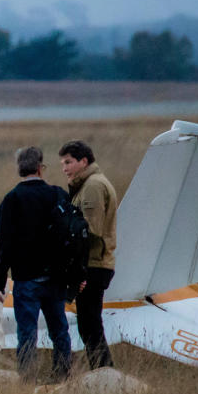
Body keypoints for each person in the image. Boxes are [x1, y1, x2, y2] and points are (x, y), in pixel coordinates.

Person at [0, 146, 72, 382]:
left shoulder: (11, 200)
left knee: (26, 332)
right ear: (40, 167)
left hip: (27, 278)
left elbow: (4, 244)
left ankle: (27, 379)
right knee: (59, 329)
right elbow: (72, 236)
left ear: (20, 169)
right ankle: (62, 375)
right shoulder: (58, 195)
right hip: (56, 277)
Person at [58, 139, 118, 369]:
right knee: (88, 323)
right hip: (95, 263)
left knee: (89, 324)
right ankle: (103, 368)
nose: (64, 168)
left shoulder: (92, 186)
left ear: (84, 161)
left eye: (69, 162)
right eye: (62, 163)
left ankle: (104, 370)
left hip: (93, 264)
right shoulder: (87, 184)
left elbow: (91, 230)